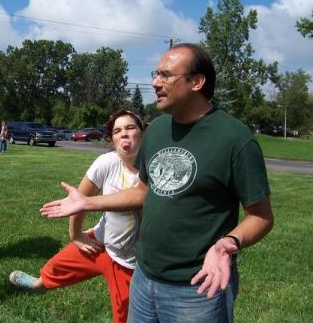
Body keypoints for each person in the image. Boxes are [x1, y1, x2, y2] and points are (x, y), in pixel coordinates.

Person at [40, 43, 274, 323]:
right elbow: (143, 191)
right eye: (156, 74)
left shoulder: (235, 139)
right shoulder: (159, 129)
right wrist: (89, 202)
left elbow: (261, 216)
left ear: (197, 82)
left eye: (166, 75)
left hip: (198, 288)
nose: (155, 82)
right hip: (144, 277)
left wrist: (227, 244)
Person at [10, 110, 144, 323]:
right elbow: (79, 199)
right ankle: (38, 284)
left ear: (142, 133)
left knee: (124, 316)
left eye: (130, 128)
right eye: (117, 131)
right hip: (99, 244)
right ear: (112, 138)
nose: (124, 134)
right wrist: (76, 235)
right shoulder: (107, 162)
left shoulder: (156, 168)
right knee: (57, 265)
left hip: (130, 263)